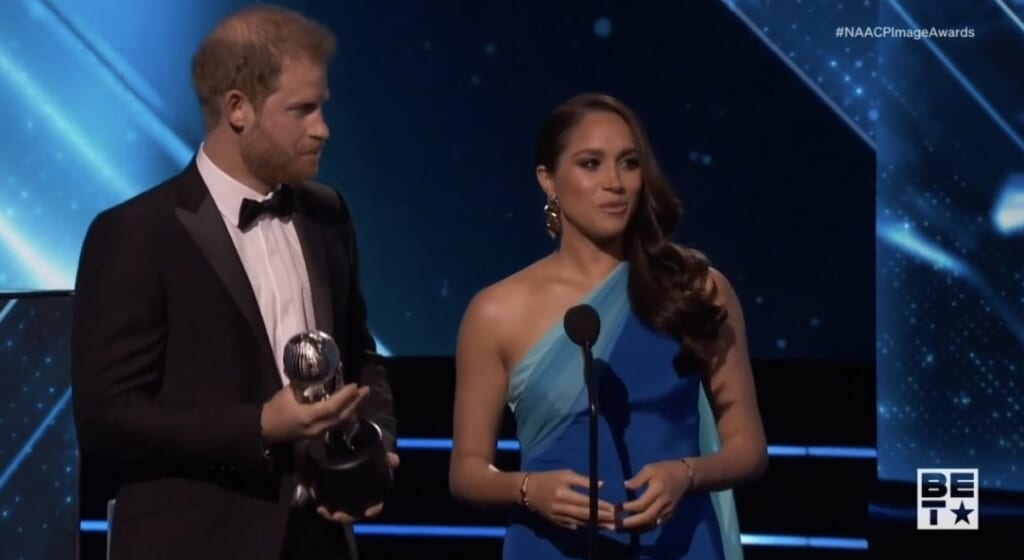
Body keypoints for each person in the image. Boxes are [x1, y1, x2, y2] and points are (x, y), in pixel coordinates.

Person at [70, 5, 397, 560]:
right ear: (238, 108)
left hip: (319, 541)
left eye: (321, 106)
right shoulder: (135, 233)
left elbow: (361, 356)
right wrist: (260, 427)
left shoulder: (328, 215)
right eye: (302, 109)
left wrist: (372, 444)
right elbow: (108, 420)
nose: (322, 128)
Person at [449, 93, 768, 559]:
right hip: (550, 547)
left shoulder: (696, 290)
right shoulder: (495, 312)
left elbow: (749, 449)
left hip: (679, 545)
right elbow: (467, 472)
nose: (614, 183)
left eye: (629, 163)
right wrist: (527, 489)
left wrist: (686, 473)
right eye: (590, 164)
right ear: (548, 180)